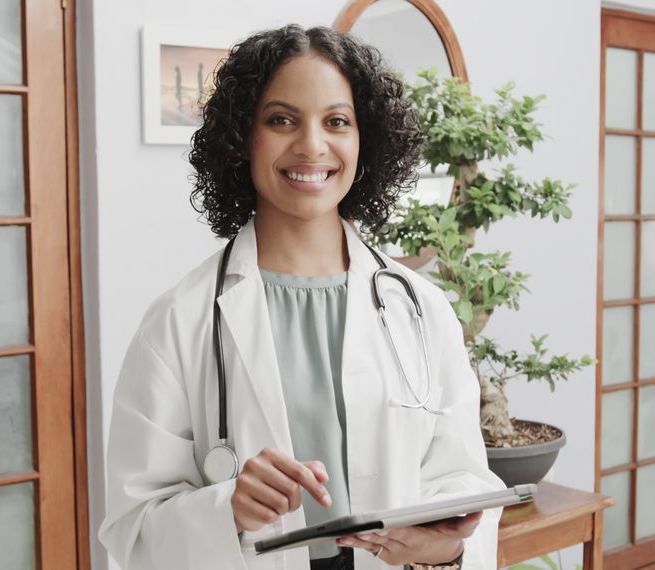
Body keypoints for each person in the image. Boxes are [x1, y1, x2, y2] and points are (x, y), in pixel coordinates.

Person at [98, 24, 505, 569]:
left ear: (367, 139)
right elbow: (132, 529)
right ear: (244, 137)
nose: (312, 145)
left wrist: (450, 549)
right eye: (281, 119)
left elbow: (465, 481)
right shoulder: (179, 320)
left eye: (337, 121)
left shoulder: (422, 310)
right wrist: (228, 509)